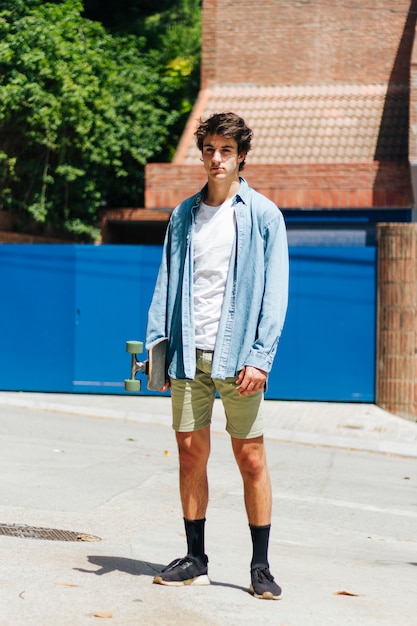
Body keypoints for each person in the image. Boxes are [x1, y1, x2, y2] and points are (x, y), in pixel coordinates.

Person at [146, 111, 289, 600]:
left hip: (240, 359)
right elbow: (166, 283)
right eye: (208, 149)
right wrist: (158, 352)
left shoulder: (264, 215)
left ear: (241, 156)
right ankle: (195, 558)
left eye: (225, 150)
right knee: (189, 454)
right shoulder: (184, 214)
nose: (215, 158)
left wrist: (261, 356)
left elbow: (275, 293)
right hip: (189, 354)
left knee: (250, 458)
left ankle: (261, 566)